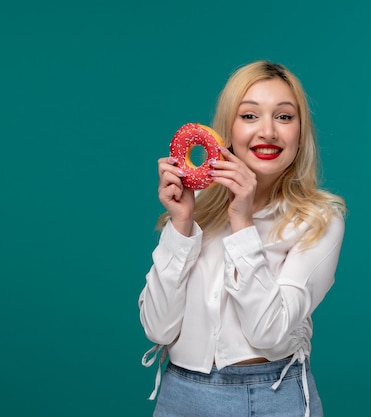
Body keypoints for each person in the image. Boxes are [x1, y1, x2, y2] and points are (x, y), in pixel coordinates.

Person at [138, 60, 346, 417]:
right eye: (250, 116)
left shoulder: (320, 219)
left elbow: (270, 334)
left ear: (300, 133)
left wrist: (242, 220)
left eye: (284, 117)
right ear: (227, 131)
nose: (268, 131)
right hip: (181, 396)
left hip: (272, 397)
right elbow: (157, 328)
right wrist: (182, 223)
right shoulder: (195, 206)